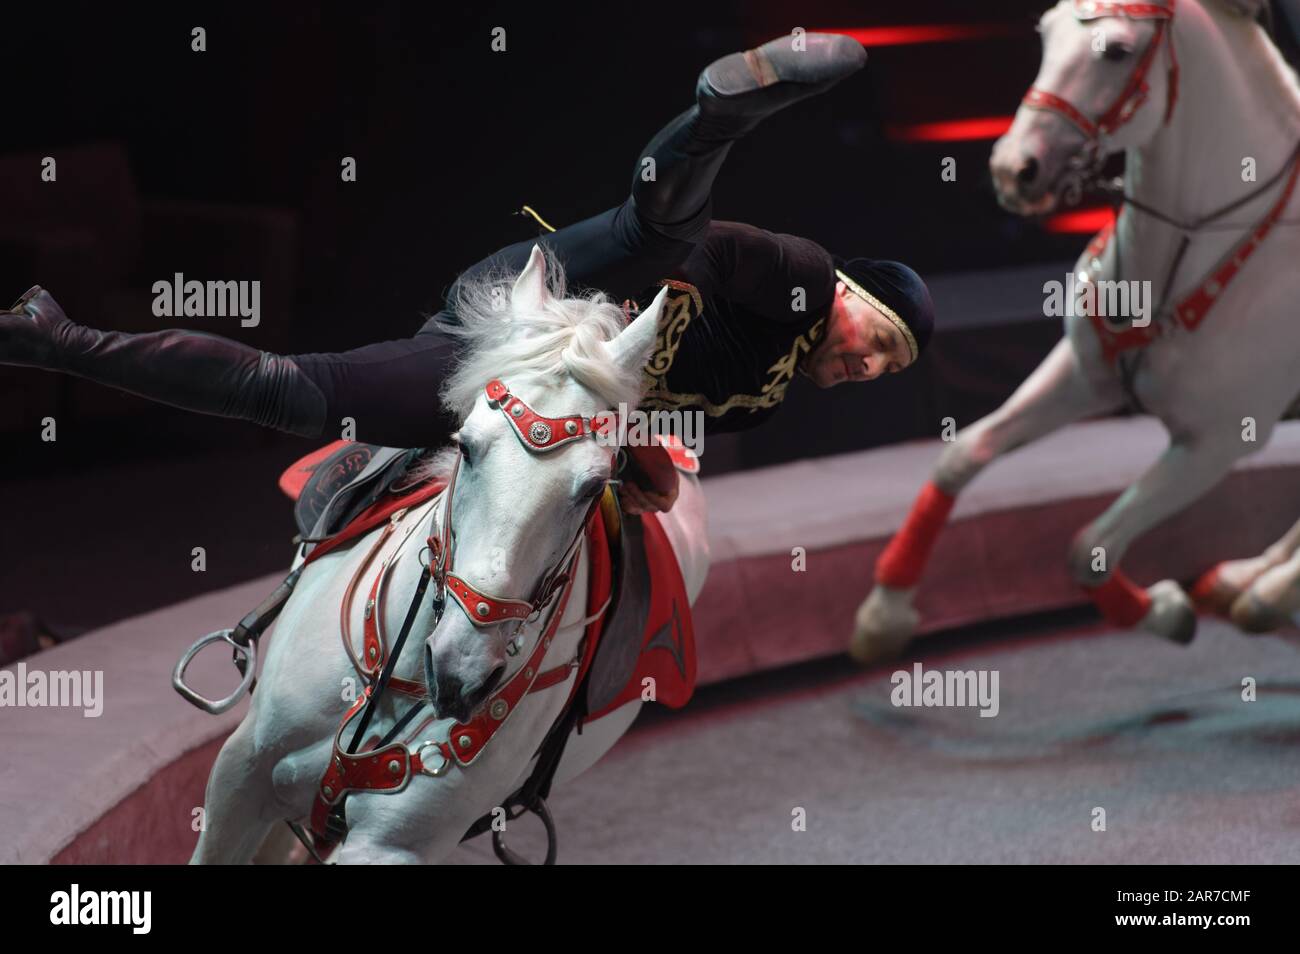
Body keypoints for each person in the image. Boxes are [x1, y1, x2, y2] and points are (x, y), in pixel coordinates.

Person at [0, 33, 935, 513]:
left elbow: (638, 417)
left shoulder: (766, 399)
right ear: (850, 294)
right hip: (553, 297)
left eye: (883, 373)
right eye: (877, 342)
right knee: (658, 236)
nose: (867, 367)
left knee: (289, 394)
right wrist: (644, 302)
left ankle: (51, 338)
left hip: (526, 379)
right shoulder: (808, 280)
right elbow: (719, 250)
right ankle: (722, 115)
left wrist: (642, 454)